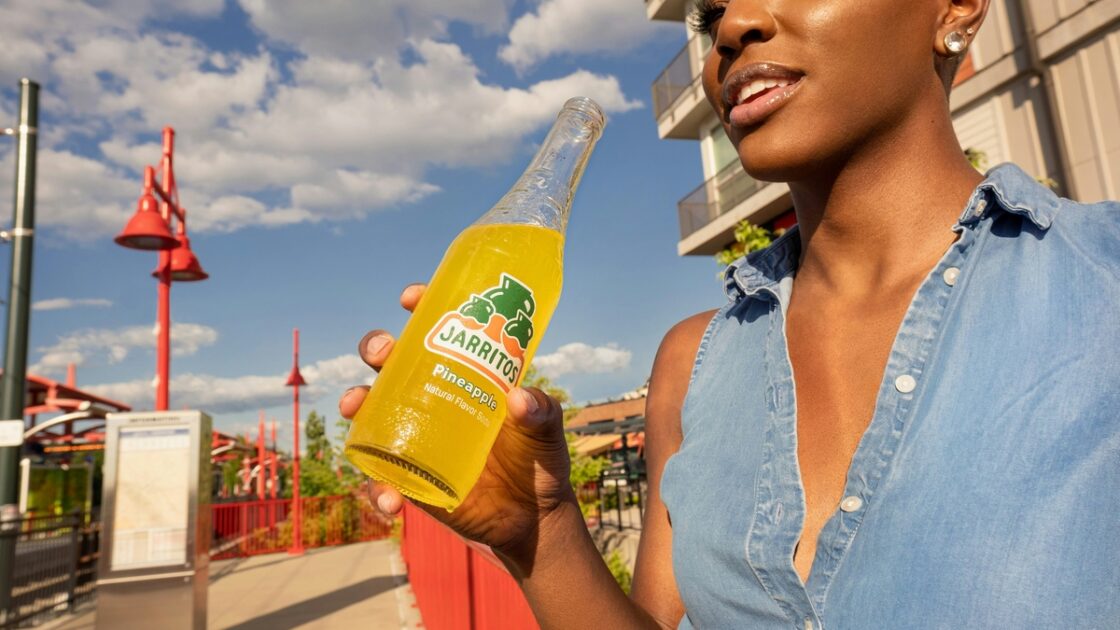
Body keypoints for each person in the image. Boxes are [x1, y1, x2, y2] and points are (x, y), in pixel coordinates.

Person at [339, 0, 1120, 627]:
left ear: (957, 9)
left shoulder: (1102, 284)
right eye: (711, 16)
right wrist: (538, 531)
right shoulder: (692, 361)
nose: (734, 28)